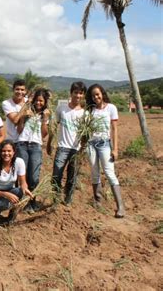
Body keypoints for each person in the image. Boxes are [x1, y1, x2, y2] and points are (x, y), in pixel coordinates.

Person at [85, 84, 125, 218]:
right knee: (94, 172)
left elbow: (114, 129)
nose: (96, 97)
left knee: (109, 173)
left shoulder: (111, 108)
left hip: (104, 144)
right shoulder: (90, 110)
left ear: (102, 93)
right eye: (93, 95)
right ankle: (98, 202)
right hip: (91, 144)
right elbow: (86, 129)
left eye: (97, 94)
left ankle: (120, 207)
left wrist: (115, 148)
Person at [47, 81, 86, 205]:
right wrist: (49, 143)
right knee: (56, 176)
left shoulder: (85, 113)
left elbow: (86, 135)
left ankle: (68, 200)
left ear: (83, 95)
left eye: (80, 93)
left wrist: (82, 149)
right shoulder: (61, 109)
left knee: (72, 177)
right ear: (71, 93)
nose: (78, 96)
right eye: (76, 93)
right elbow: (53, 127)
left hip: (77, 149)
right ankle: (56, 199)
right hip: (62, 147)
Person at [16, 88, 51, 212]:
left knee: (34, 176)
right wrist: (22, 117)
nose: (39, 103)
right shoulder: (27, 112)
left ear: (45, 102)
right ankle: (20, 202)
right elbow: (19, 130)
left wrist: (45, 120)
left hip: (36, 146)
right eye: (37, 100)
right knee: (21, 174)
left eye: (41, 101)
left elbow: (44, 134)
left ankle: (32, 201)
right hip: (22, 144)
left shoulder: (46, 115)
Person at [0, 140, 33, 224]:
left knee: (20, 191)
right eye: (3, 151)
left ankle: (11, 217)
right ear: (0, 152)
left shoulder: (19, 162)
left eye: (9, 151)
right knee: (3, 204)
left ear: (14, 152)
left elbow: (23, 182)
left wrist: (25, 189)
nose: (6, 153)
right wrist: (5, 194)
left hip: (10, 190)